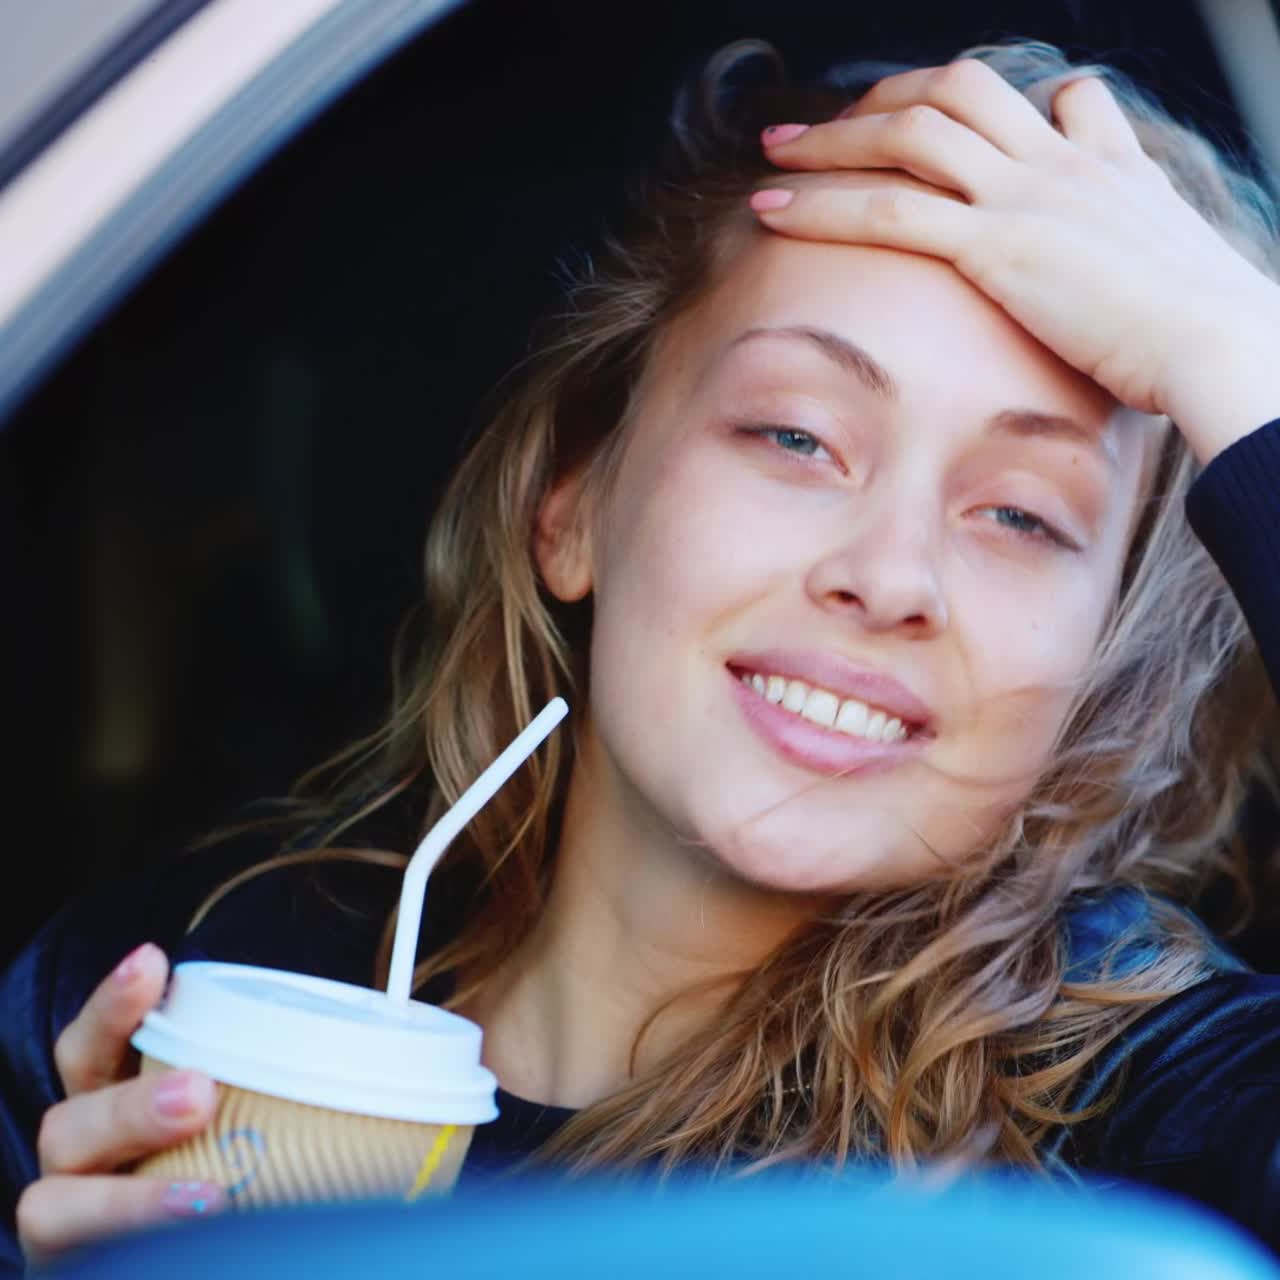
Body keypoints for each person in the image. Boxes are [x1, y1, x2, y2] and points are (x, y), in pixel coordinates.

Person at [6, 36, 1280, 1269]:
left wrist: (1242, 361)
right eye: (794, 436)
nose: (889, 577)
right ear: (569, 502)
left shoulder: (1135, 1103)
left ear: (1098, 657)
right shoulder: (164, 999)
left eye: (1018, 514)